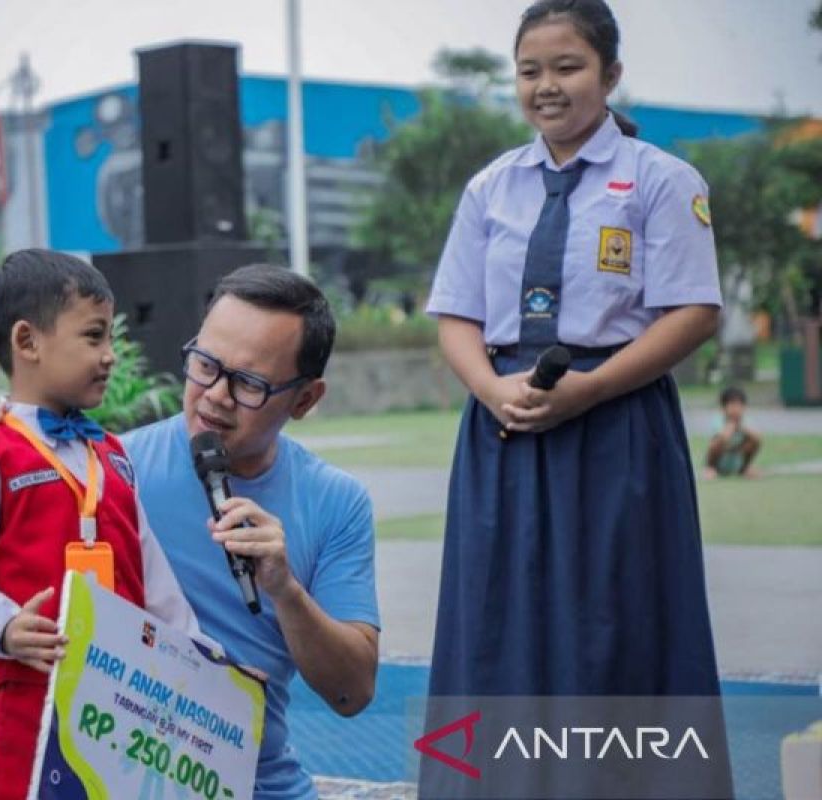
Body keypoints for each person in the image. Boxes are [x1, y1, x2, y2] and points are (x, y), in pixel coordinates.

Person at [422, 0, 732, 793]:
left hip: (615, 427)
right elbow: (455, 312)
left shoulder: (661, 181)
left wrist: (589, 391)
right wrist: (492, 389)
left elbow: (694, 310)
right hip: (503, 428)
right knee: (494, 620)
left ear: (611, 74)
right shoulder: (491, 187)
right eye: (530, 71)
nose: (546, 87)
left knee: (613, 622)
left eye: (568, 67)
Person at [0, 249, 206, 800]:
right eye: (94, 337)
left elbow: (151, 574)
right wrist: (4, 627)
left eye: (110, 340)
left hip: (123, 708)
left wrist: (203, 665)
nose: (109, 356)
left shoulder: (111, 455)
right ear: (27, 342)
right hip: (31, 706)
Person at [121, 265, 380, 799]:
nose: (215, 395)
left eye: (249, 383)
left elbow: (352, 694)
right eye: (205, 365)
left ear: (305, 400)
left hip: (257, 781)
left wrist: (285, 590)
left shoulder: (336, 503)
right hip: (121, 771)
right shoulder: (115, 470)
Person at [704, 386, 761, 478]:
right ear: (723, 408)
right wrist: (731, 427)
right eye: (732, 405)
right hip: (720, 461)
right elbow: (720, 439)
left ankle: (744, 468)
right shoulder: (718, 421)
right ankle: (710, 469)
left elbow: (757, 438)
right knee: (716, 443)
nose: (736, 409)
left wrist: (741, 428)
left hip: (737, 459)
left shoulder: (745, 421)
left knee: (754, 440)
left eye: (739, 405)